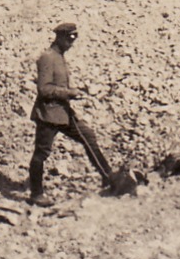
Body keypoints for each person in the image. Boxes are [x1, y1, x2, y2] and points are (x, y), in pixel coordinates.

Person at [27, 22, 114, 206]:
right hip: (48, 114)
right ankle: (36, 194)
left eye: (73, 39)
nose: (71, 43)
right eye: (68, 39)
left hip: (64, 113)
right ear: (59, 37)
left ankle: (108, 177)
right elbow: (44, 89)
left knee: (88, 136)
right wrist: (68, 93)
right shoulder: (47, 57)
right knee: (41, 153)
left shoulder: (59, 57)